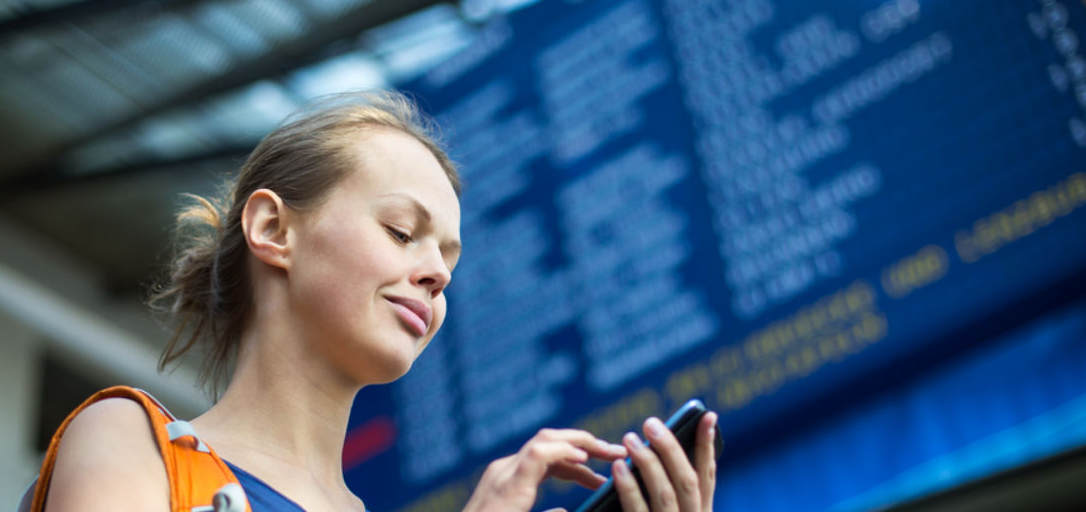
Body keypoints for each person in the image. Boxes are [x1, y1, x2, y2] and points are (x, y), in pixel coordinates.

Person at [36, 90, 719, 512]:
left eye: (448, 260)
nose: (436, 276)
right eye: (402, 232)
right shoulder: (130, 439)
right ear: (274, 229)